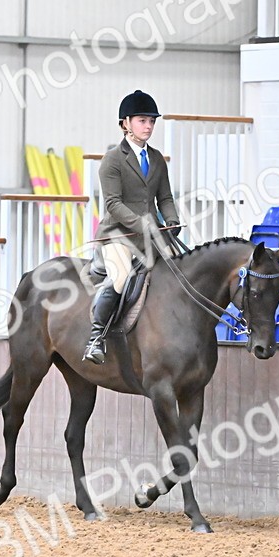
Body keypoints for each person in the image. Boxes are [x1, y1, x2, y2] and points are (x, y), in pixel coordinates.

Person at [83, 89, 181, 364]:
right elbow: (113, 204)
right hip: (119, 236)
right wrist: (143, 224)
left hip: (153, 237)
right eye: (142, 121)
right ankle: (96, 338)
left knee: (181, 271)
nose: (148, 126)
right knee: (121, 276)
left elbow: (165, 198)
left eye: (151, 121)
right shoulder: (113, 160)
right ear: (125, 123)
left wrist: (171, 220)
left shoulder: (158, 158)